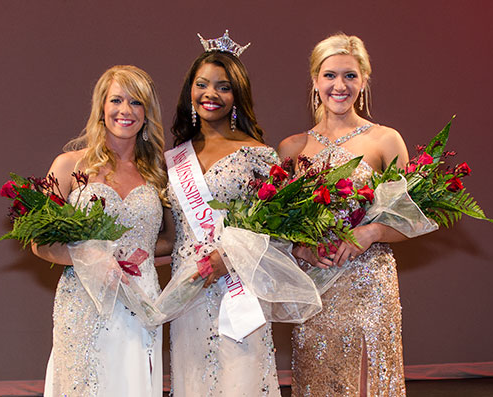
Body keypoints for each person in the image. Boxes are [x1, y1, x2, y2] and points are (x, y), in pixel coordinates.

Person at [278, 34, 409, 396]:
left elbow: (410, 219)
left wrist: (371, 233)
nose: (340, 85)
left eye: (350, 76)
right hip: (315, 289)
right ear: (315, 81)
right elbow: (276, 232)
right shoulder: (292, 148)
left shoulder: (385, 140)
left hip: (369, 286)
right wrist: (301, 250)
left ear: (364, 80)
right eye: (330, 75)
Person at [32, 65, 169, 396]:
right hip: (84, 303)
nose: (125, 110)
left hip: (139, 303)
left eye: (136, 102)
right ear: (101, 107)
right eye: (117, 100)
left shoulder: (158, 173)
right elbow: (40, 241)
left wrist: (143, 257)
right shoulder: (70, 165)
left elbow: (169, 242)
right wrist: (90, 257)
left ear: (147, 112)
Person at [166, 31, 281, 396]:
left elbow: (276, 231)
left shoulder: (260, 155)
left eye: (223, 86)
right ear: (190, 91)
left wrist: (228, 258)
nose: (210, 94)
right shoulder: (176, 158)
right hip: (190, 291)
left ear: (237, 97)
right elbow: (175, 234)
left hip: (238, 290)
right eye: (201, 84)